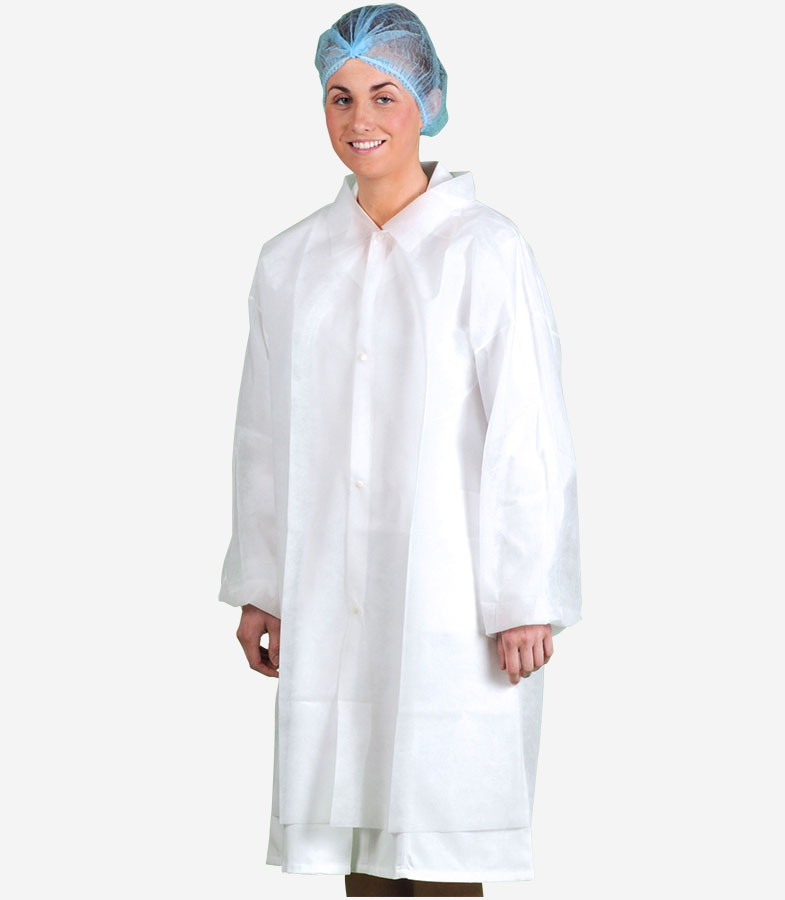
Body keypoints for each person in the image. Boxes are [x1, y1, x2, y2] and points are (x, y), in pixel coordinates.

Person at [218, 4, 582, 896]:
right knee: (357, 843)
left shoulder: (484, 250)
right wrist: (264, 586)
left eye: (384, 95)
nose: (360, 120)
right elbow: (262, 435)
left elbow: (528, 430)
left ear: (429, 101)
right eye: (339, 98)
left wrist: (525, 594)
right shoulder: (290, 263)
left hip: (454, 599)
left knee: (441, 839)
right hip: (328, 593)